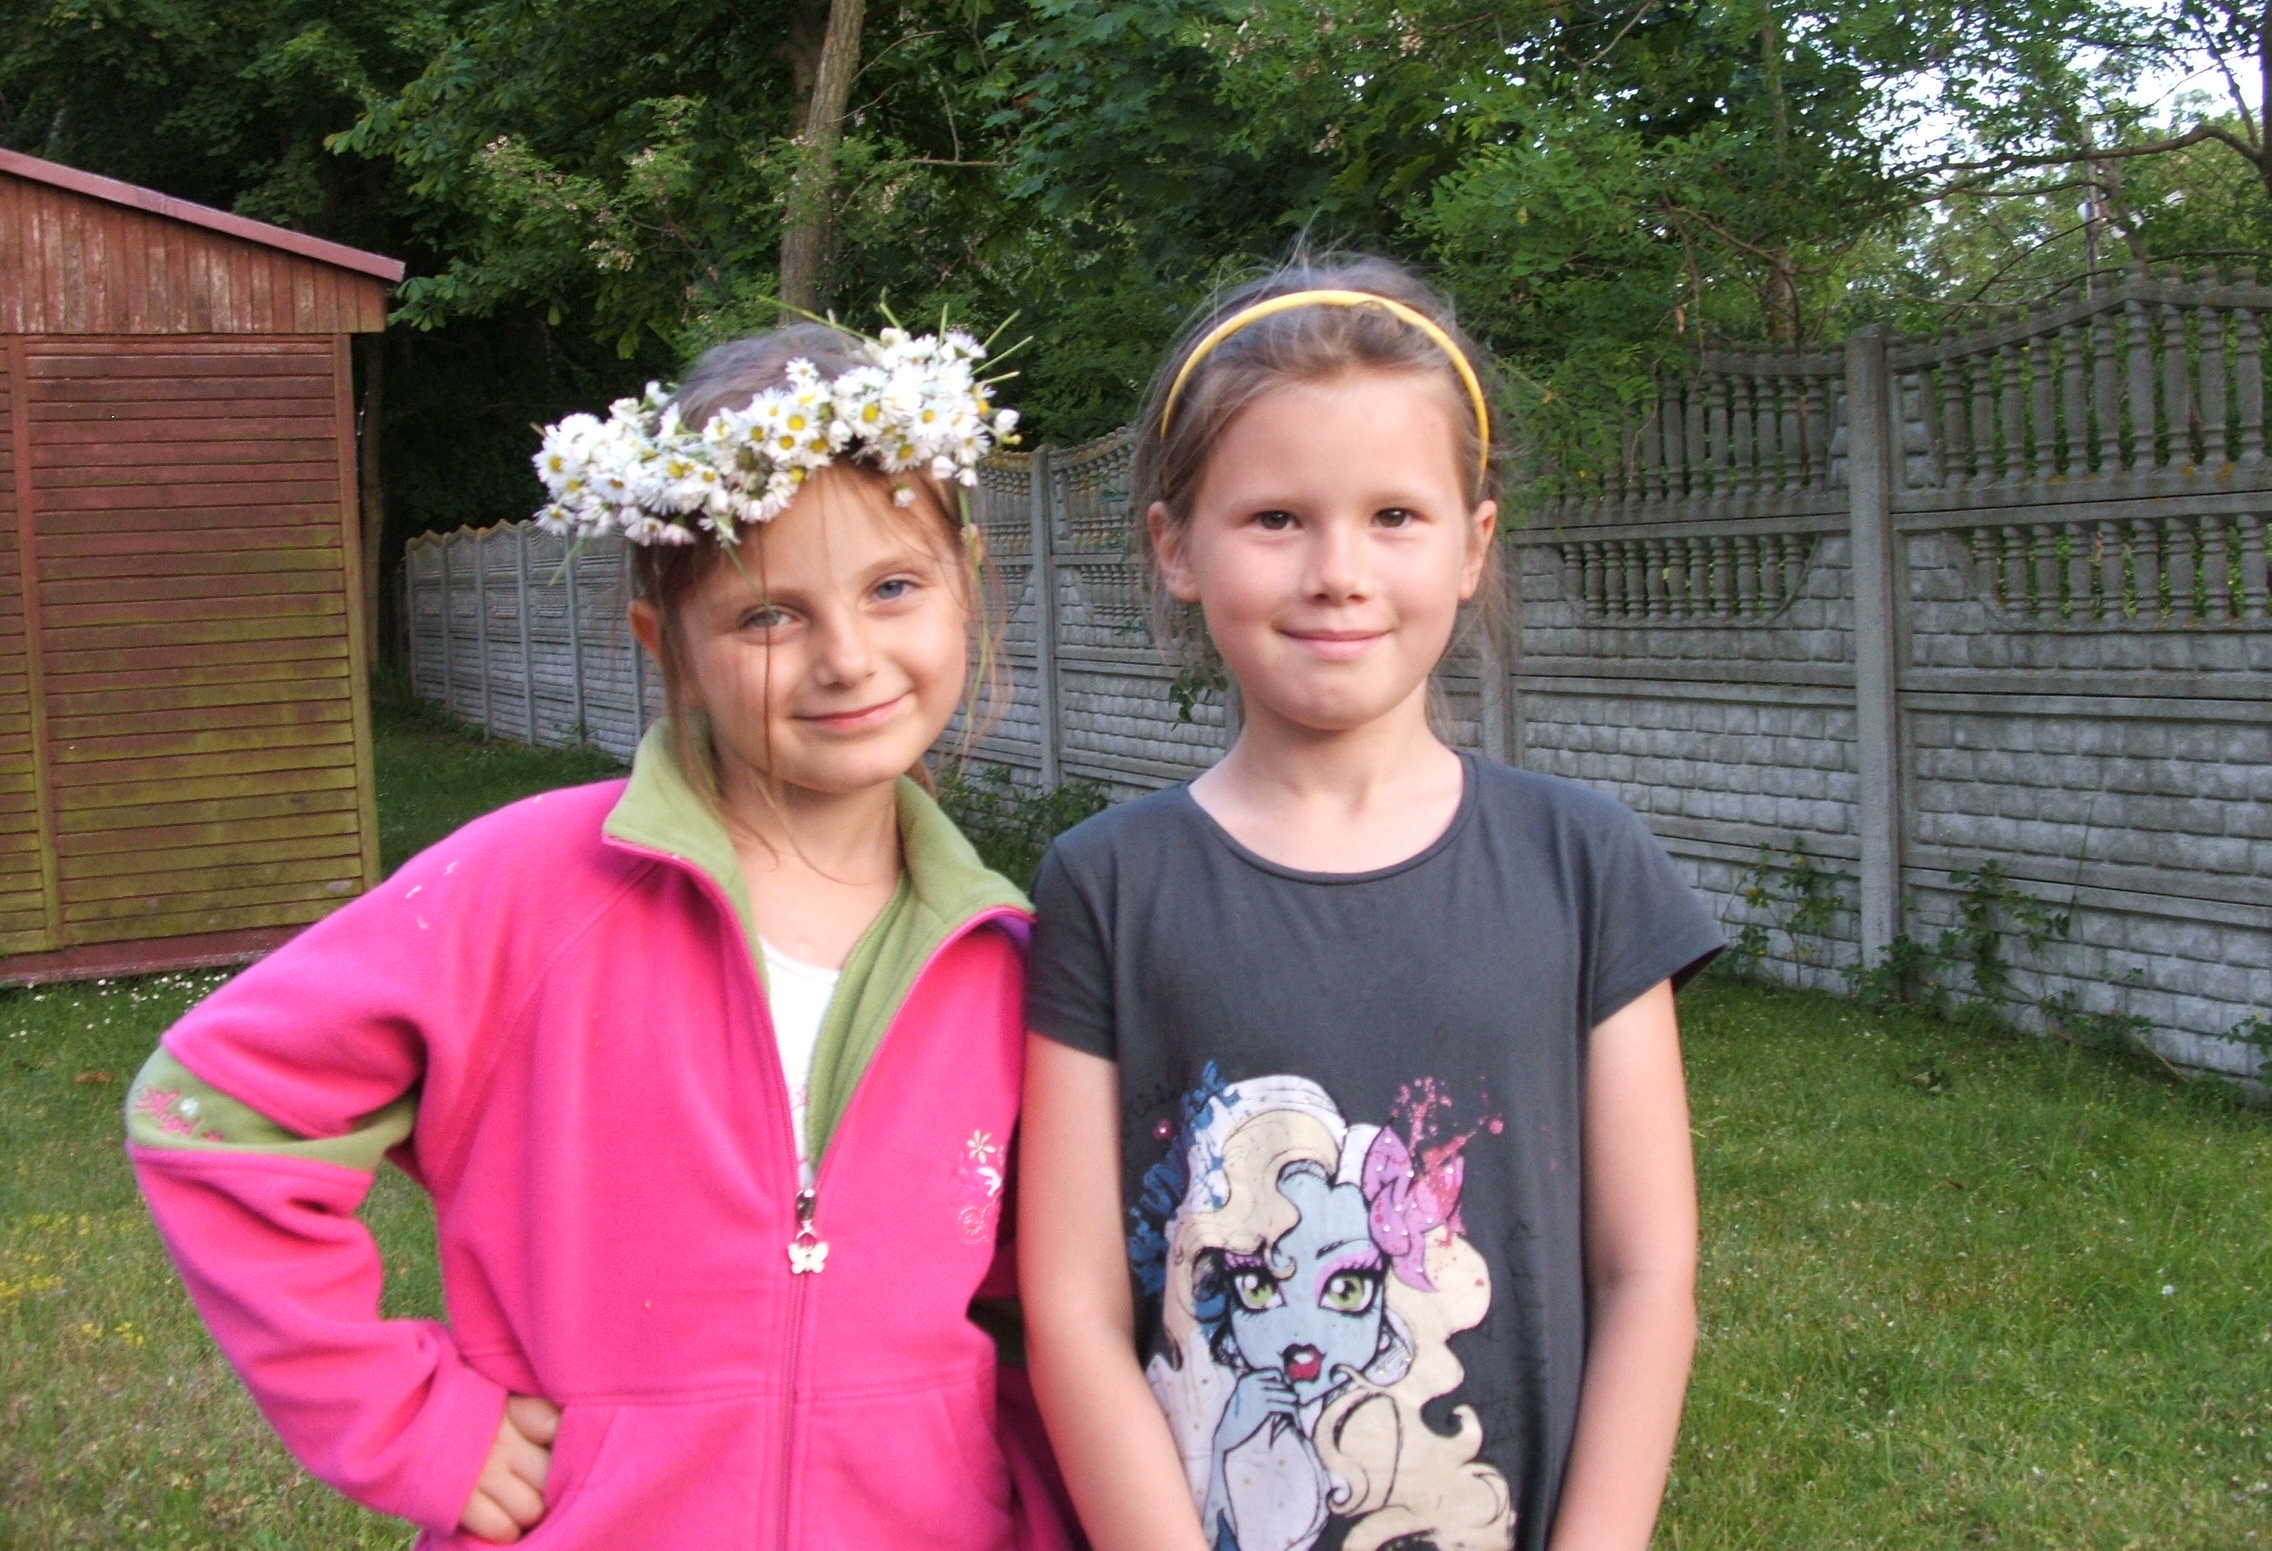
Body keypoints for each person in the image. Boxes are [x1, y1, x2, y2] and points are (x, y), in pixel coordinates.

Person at [126, 322, 1078, 1550]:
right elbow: (212, 1115)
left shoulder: (1011, 960)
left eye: (892, 588)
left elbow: (1047, 1317)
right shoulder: (522, 890)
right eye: (768, 615)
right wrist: (408, 1421)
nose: (848, 659)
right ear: (663, 643)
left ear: (967, 585)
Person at [1017, 258, 1724, 1551]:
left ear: (1474, 545)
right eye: (1276, 518)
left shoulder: (1585, 864)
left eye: (1394, 514)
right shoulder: (1105, 885)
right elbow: (1067, 1307)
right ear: (1175, 547)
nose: (1337, 571)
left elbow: (1648, 1272)